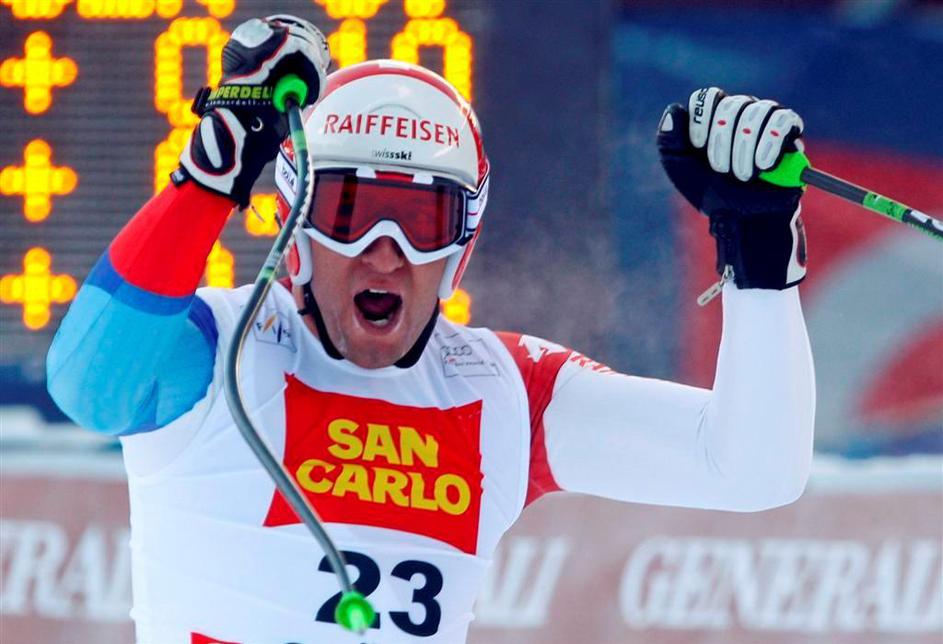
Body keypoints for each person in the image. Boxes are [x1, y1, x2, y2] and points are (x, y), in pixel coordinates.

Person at [46, 14, 815, 644]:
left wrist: (758, 259)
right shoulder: (217, 346)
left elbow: (751, 469)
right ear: (293, 222)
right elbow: (90, 388)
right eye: (348, 212)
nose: (384, 252)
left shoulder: (506, 390)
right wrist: (208, 178)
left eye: (420, 219)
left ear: (461, 245)